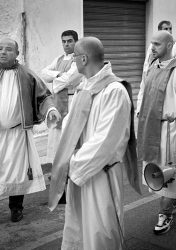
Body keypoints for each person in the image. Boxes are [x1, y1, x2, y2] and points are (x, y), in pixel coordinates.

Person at [48, 36, 141, 250]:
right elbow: (71, 131)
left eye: (74, 59)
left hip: (101, 175)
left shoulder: (114, 91)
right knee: (78, 230)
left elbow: (106, 142)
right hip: (80, 172)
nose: (72, 63)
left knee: (101, 234)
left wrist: (72, 165)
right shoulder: (83, 87)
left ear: (83, 59)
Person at [137, 30, 176, 235]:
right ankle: (175, 199)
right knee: (156, 175)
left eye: (157, 44)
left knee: (170, 175)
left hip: (170, 132)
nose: (152, 47)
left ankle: (165, 215)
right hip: (152, 128)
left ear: (170, 45)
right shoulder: (153, 67)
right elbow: (145, 96)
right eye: (152, 43)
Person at [0, 38, 61, 222]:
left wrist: (50, 109)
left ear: (17, 54)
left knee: (18, 171)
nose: (3, 52)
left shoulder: (27, 75)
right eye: (0, 49)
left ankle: (16, 208)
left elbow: (43, 97)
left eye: (8, 49)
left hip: (18, 134)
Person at [41, 30, 81, 164]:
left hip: (71, 101)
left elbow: (69, 79)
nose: (66, 44)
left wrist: (56, 79)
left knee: (68, 134)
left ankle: (69, 166)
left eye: (70, 41)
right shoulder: (58, 59)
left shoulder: (78, 59)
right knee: (55, 135)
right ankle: (56, 167)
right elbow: (44, 74)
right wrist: (58, 74)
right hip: (57, 101)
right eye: (64, 41)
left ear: (76, 41)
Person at [136, 20, 176, 115]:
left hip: (168, 80)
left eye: (170, 29)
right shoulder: (152, 46)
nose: (169, 31)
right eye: (166, 29)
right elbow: (147, 65)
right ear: (159, 31)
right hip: (154, 77)